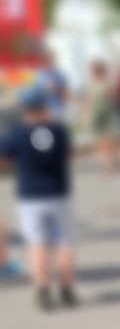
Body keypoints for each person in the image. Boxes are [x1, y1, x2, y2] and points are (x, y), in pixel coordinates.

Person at [0, 84, 76, 309]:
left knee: (37, 244)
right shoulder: (58, 130)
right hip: (58, 192)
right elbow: (67, 153)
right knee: (63, 242)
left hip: (31, 195)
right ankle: (67, 289)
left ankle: (43, 291)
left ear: (24, 108)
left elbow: (3, 157)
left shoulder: (18, 133)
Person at [87, 60, 120, 173]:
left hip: (109, 115)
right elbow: (89, 102)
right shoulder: (91, 86)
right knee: (101, 142)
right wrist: (87, 116)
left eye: (96, 71)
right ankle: (106, 165)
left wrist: (111, 92)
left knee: (112, 141)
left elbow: (116, 99)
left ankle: (115, 159)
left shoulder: (107, 84)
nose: (94, 73)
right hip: (97, 116)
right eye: (93, 71)